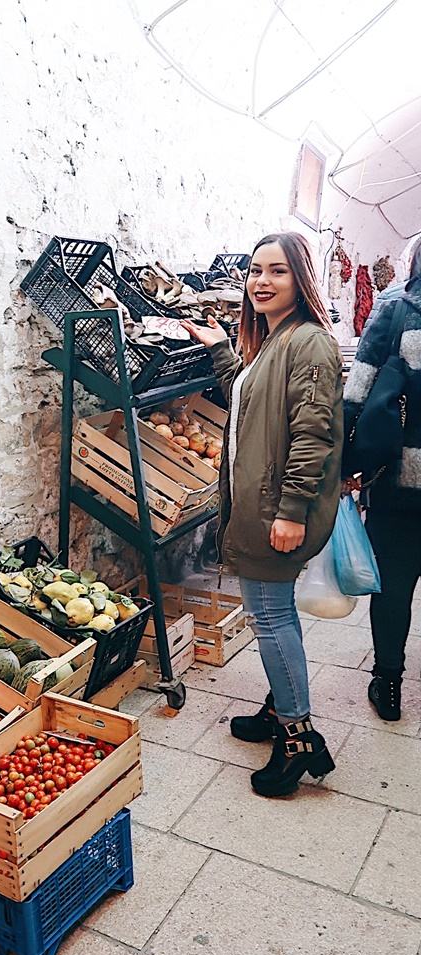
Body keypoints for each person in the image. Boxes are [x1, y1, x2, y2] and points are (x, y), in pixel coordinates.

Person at [181, 232, 343, 797]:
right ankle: (280, 711)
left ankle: (298, 739)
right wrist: (219, 348)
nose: (261, 282)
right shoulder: (274, 342)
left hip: (276, 507)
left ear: (300, 278)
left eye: (277, 271)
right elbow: (246, 399)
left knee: (269, 617)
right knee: (273, 614)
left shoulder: (310, 344)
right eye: (255, 271)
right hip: (258, 503)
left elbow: (313, 433)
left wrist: (292, 510)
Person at [342, 238, 421, 722]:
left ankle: (388, 683)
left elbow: (359, 388)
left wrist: (349, 464)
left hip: (397, 479)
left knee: (392, 584)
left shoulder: (395, 307)